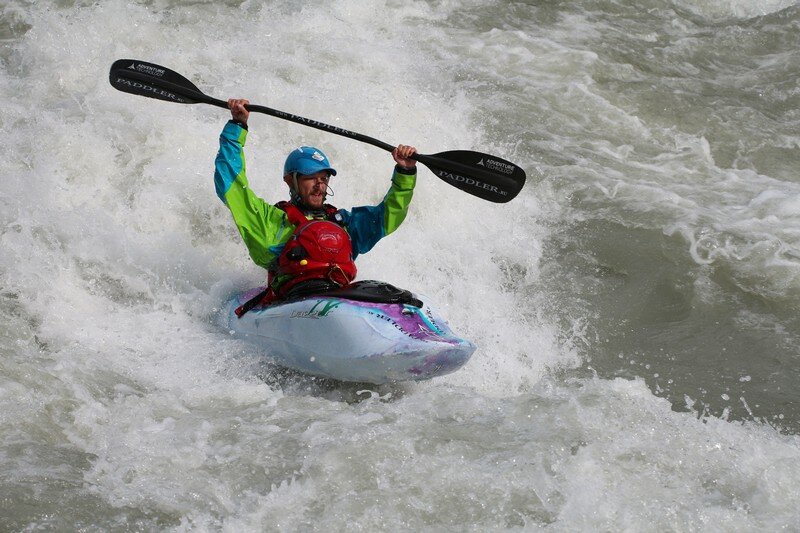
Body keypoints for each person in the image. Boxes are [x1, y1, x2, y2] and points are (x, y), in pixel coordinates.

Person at [214, 98, 418, 307]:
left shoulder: (344, 224)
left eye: (324, 178)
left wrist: (405, 171)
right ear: (289, 181)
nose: (319, 185)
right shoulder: (271, 221)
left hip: (337, 300)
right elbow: (232, 184)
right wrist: (237, 126)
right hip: (291, 302)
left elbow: (388, 215)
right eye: (311, 177)